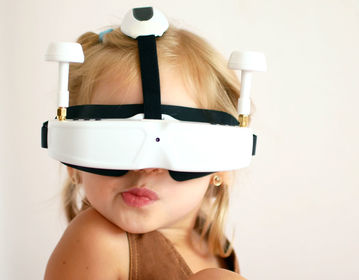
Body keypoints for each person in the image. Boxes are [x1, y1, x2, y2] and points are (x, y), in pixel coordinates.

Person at [44, 8, 253, 280]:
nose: (146, 166)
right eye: (117, 142)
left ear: (223, 165)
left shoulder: (214, 247)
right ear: (72, 160)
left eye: (181, 144)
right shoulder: (98, 240)